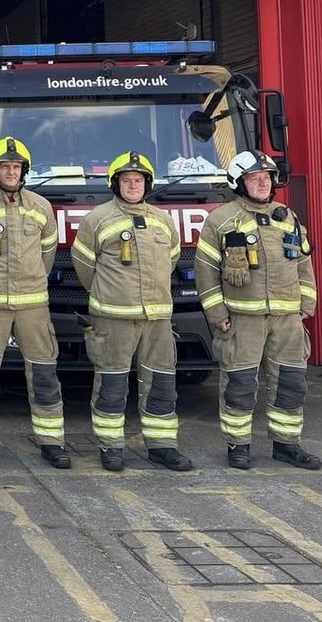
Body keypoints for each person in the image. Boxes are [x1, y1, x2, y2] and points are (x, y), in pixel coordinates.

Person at [195, 150, 321, 470]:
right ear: (239, 182)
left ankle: (287, 445)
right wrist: (217, 314)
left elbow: (302, 262)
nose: (263, 183)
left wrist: (306, 304)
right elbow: (205, 271)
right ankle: (238, 446)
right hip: (242, 320)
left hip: (287, 320)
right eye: (254, 178)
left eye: (267, 177)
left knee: (291, 383)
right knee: (239, 385)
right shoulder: (221, 220)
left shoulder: (286, 216)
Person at [72, 151, 193, 472]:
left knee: (163, 384)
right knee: (112, 384)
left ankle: (162, 447)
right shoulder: (96, 219)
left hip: (157, 320)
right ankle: (111, 447)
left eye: (138, 181)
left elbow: (171, 259)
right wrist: (109, 294)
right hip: (113, 318)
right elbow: (84, 267)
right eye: (126, 180)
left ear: (147, 184)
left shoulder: (163, 220)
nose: (132, 185)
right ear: (115, 184)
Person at [0, 137, 68, 469]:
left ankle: (52, 443)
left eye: (16, 167)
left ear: (24, 171)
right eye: (5, 167)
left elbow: (48, 254)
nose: (11, 172)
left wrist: (33, 281)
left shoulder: (41, 207)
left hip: (33, 306)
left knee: (45, 375)